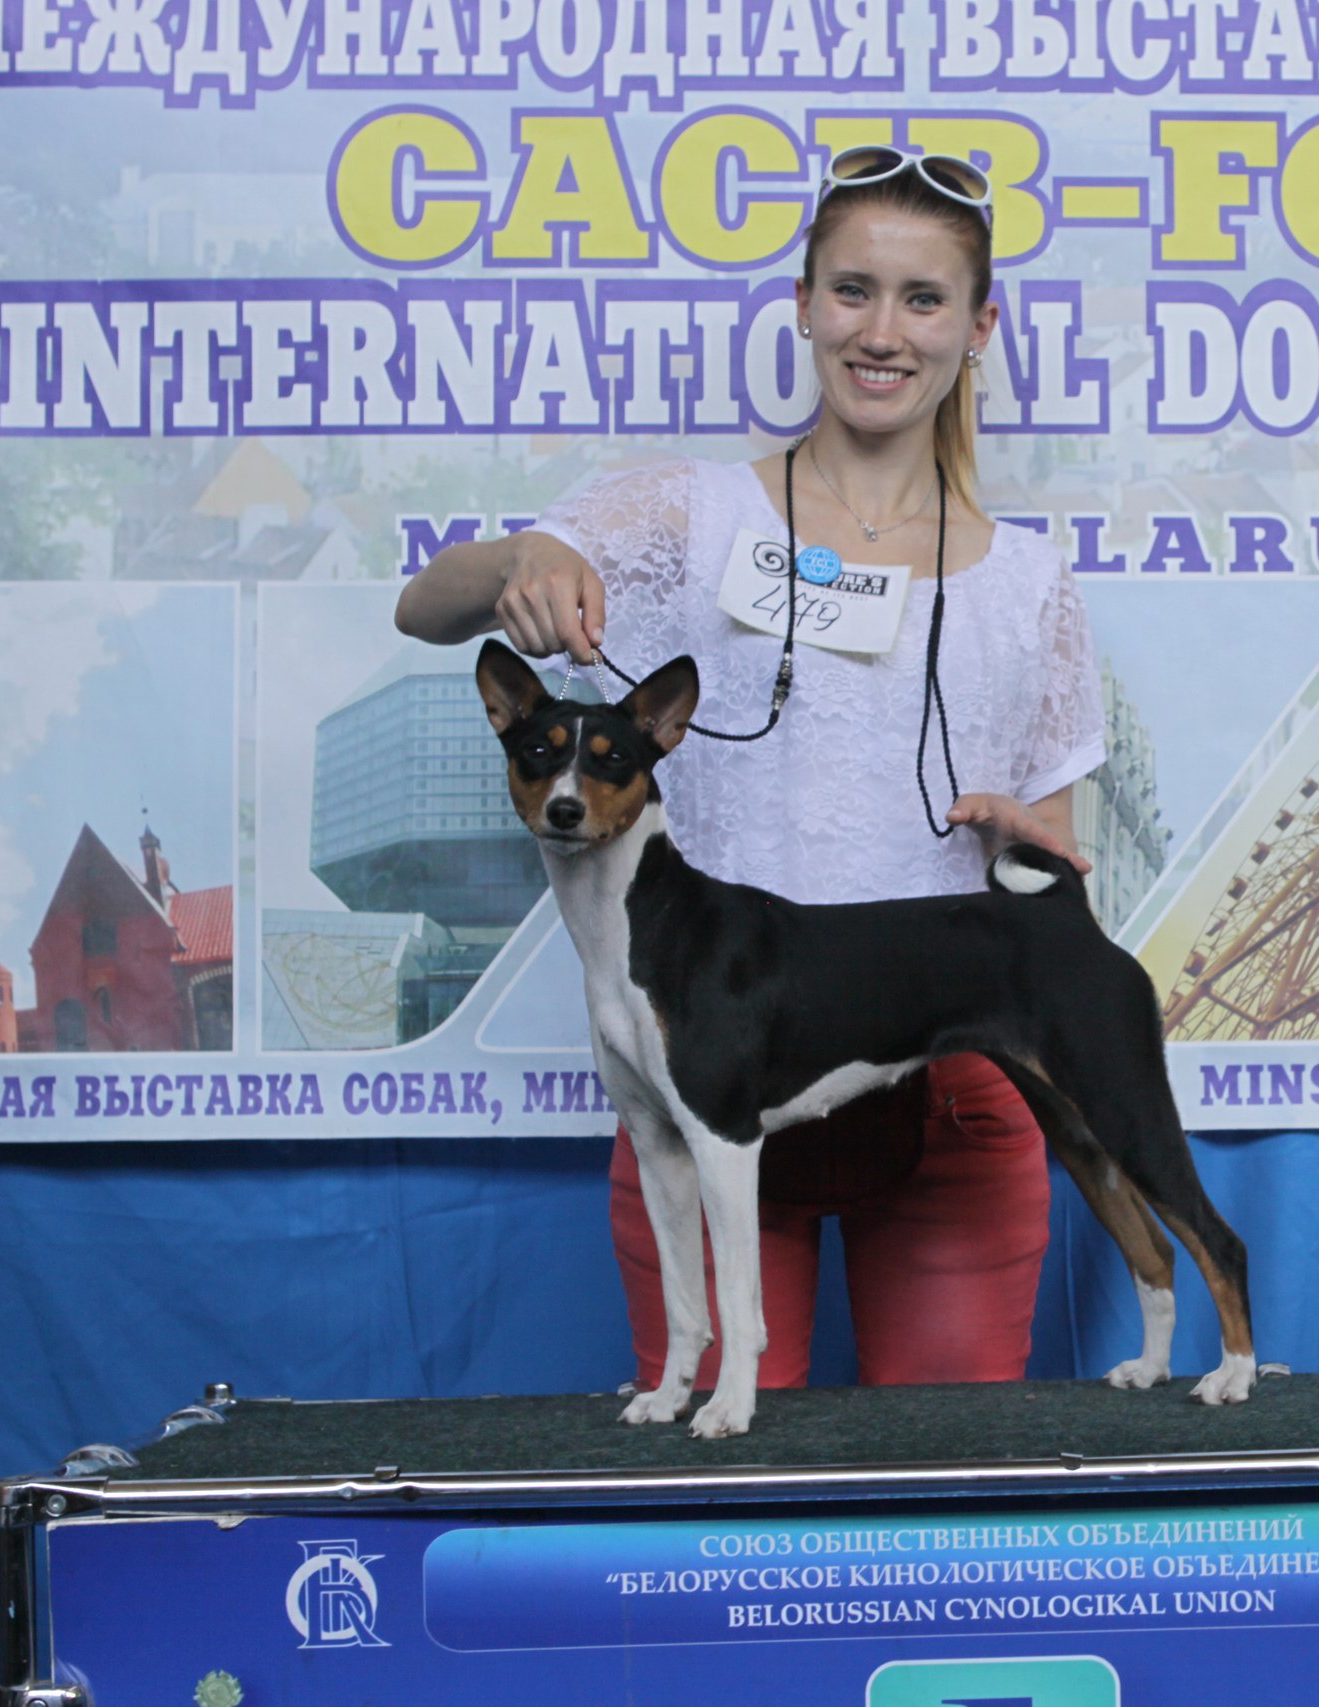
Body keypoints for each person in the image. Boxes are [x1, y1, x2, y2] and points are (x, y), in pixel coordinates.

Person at [394, 145, 1104, 1394]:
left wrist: (1020, 839)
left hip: (940, 1082)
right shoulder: (684, 514)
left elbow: (1050, 858)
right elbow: (424, 608)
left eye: (923, 299)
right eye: (852, 291)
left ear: (979, 325)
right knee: (717, 1476)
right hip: (705, 1055)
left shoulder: (1032, 584)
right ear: (803, 304)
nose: (881, 332)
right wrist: (523, 560)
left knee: (947, 1472)